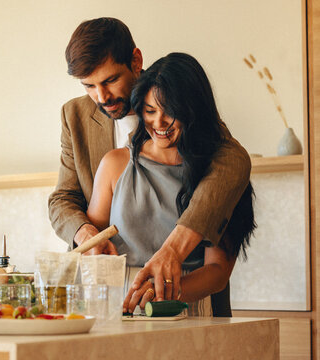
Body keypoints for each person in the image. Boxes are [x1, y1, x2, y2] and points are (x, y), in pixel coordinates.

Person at [48, 17, 251, 301]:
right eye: (89, 86)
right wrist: (86, 235)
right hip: (113, 299)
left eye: (110, 80)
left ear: (135, 60)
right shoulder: (75, 116)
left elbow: (233, 160)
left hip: (191, 297)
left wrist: (172, 255)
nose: (101, 97)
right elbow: (62, 199)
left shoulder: (178, 95)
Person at [87, 52, 255, 316]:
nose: (159, 122)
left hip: (188, 305)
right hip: (119, 308)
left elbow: (218, 272)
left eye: (171, 112)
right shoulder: (114, 164)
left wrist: (160, 291)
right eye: (150, 111)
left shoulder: (220, 175)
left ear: (194, 112)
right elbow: (93, 243)